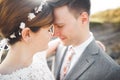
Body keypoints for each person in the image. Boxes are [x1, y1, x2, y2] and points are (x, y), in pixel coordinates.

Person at [49, 0, 120, 80]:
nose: (54, 34)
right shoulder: (59, 47)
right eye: (52, 26)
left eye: (60, 25)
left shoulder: (112, 71)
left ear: (83, 19)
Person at [0, 0, 55, 80]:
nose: (52, 34)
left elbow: (56, 44)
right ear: (27, 34)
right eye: (49, 29)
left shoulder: (38, 57)